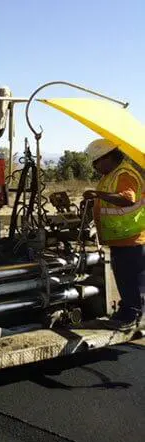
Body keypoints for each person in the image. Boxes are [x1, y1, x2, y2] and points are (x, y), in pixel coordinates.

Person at [82, 139, 144, 331]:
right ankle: (127, 311)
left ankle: (132, 315)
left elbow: (127, 199)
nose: (94, 167)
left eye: (96, 162)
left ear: (107, 157)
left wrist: (98, 195)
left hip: (132, 238)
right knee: (125, 280)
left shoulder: (124, 174)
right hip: (120, 238)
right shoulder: (111, 174)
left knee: (131, 280)